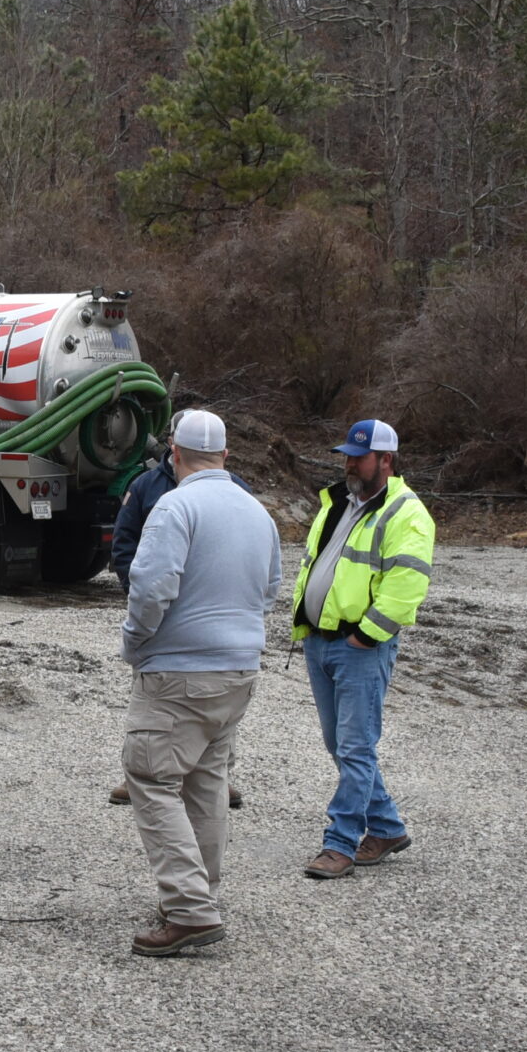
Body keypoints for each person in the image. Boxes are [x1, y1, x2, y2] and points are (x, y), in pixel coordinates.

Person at [118, 409, 288, 958]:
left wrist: (135, 643)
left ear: (173, 453)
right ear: (226, 456)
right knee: (206, 781)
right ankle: (198, 897)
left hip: (178, 671)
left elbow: (150, 588)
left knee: (150, 778)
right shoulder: (257, 513)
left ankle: (189, 909)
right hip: (239, 669)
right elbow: (270, 589)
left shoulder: (175, 505)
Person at [292, 418, 437, 879]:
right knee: (341, 745)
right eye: (347, 456)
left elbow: (406, 586)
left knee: (355, 748)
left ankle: (340, 844)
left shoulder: (407, 514)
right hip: (320, 642)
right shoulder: (339, 501)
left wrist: (365, 637)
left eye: (359, 456)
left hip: (358, 648)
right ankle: (388, 827)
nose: (349, 464)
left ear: (386, 460)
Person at [107, 411, 242, 812]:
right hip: (158, 620)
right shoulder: (147, 487)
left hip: (208, 624)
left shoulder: (236, 492)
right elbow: (124, 543)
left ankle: (217, 777)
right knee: (150, 702)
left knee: (216, 714)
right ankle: (144, 776)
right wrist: (138, 596)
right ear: (172, 445)